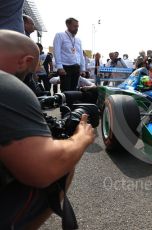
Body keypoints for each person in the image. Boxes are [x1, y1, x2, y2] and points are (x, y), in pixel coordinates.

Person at [0, 30, 95, 229]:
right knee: (61, 166)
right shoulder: (6, 84)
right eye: (31, 70)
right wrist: (81, 138)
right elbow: (44, 169)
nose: (32, 75)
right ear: (25, 61)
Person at [53, 17, 86, 92]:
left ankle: (72, 103)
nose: (77, 28)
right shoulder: (60, 35)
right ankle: (66, 103)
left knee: (74, 89)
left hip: (76, 68)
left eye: (77, 26)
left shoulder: (78, 39)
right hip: (65, 67)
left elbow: (81, 54)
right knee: (66, 90)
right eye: (75, 26)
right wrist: (59, 67)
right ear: (67, 25)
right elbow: (56, 51)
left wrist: (82, 69)